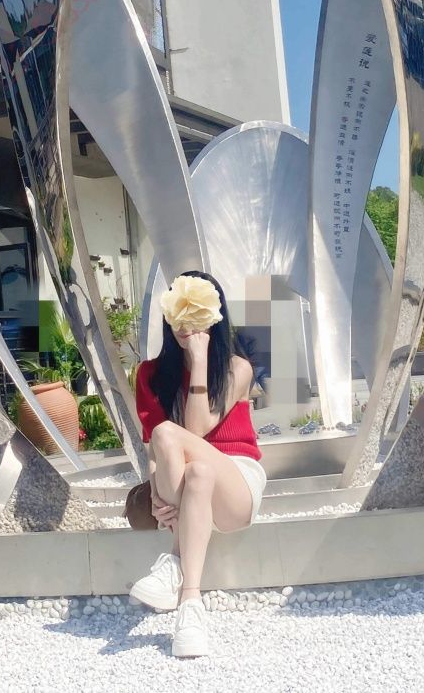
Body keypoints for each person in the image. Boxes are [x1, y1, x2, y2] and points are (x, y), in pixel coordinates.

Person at [129, 270, 267, 658]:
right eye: (180, 314)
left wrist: (201, 359)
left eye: (198, 315)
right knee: (196, 470)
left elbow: (194, 430)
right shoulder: (150, 375)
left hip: (236, 483)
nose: (187, 326)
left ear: (214, 319)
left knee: (170, 434)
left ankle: (173, 562)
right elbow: (155, 452)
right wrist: (157, 493)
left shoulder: (238, 368)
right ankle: (190, 603)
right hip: (189, 480)